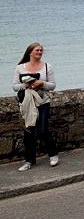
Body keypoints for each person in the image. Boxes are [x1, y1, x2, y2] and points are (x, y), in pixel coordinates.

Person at [12, 43, 58, 171]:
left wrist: (41, 83)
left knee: (42, 130)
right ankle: (29, 161)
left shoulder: (48, 67)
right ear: (30, 52)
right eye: (37, 50)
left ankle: (53, 154)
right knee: (29, 132)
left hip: (43, 102)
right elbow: (15, 86)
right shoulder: (20, 68)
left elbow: (53, 85)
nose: (39, 52)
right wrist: (26, 85)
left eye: (41, 50)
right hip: (27, 103)